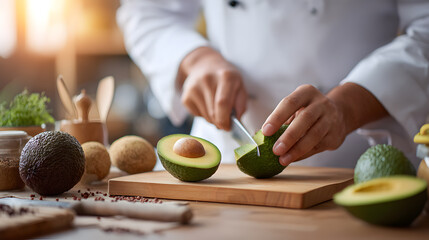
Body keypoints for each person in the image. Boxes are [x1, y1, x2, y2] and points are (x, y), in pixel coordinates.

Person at [117, 0, 429, 168]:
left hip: (356, 161)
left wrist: (346, 106)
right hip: (225, 154)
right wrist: (195, 59)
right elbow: (147, 11)